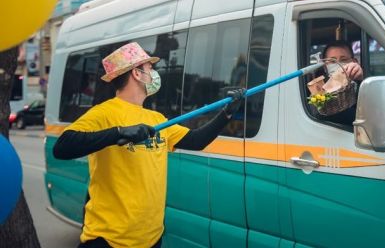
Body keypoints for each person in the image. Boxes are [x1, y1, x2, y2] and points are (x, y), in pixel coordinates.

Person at [53, 42, 245, 248]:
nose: (154, 73)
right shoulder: (104, 113)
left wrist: (227, 113)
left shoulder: (156, 118)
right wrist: (118, 133)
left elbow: (197, 141)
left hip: (151, 238)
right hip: (109, 240)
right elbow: (62, 147)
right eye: (149, 68)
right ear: (137, 73)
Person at [317, 40, 364, 127]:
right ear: (325, 66)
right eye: (332, 61)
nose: (338, 64)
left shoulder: (363, 84)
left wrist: (361, 80)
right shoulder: (318, 91)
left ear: (354, 62)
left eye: (344, 60)